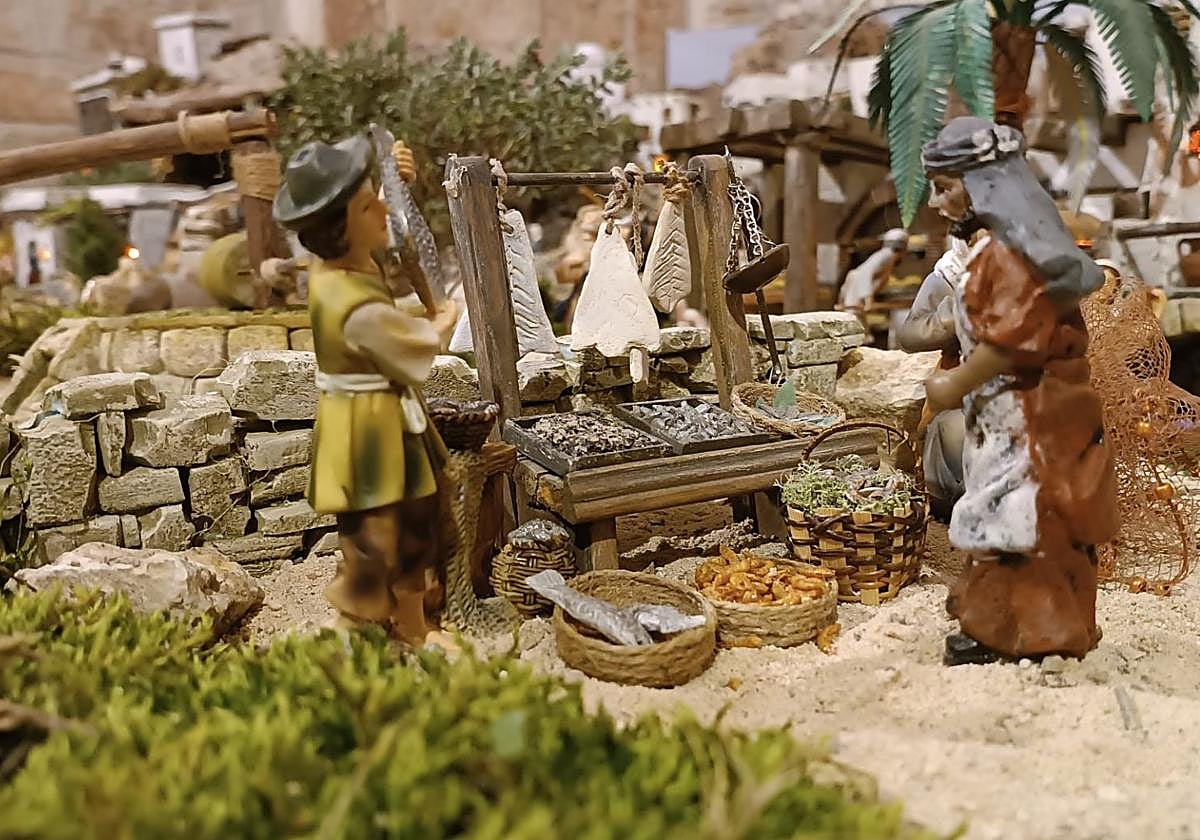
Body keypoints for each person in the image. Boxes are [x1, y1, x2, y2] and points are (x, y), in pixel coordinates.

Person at [920, 117, 1119, 666]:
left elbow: (1013, 342)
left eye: (944, 188)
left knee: (1026, 519)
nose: (935, 203)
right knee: (1004, 517)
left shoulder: (1008, 256)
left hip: (1031, 413)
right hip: (1008, 411)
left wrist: (953, 383)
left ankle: (1041, 630)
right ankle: (1001, 623)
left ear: (982, 186)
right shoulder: (993, 251)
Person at [273, 134, 460, 648]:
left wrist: (394, 180)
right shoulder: (347, 300)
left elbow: (382, 223)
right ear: (338, 227)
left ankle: (413, 624)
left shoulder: (345, 261)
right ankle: (356, 625)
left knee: (415, 520)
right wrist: (442, 322)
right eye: (366, 205)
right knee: (375, 533)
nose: (382, 210)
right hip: (365, 433)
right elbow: (407, 345)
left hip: (387, 420)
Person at [897, 238, 970, 519]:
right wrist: (954, 315)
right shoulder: (951, 275)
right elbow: (910, 335)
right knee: (953, 430)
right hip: (964, 389)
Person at [837, 228, 908, 335]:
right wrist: (868, 300)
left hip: (856, 288)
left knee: (858, 327)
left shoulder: (888, 257)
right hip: (856, 289)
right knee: (854, 325)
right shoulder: (887, 255)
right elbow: (866, 273)